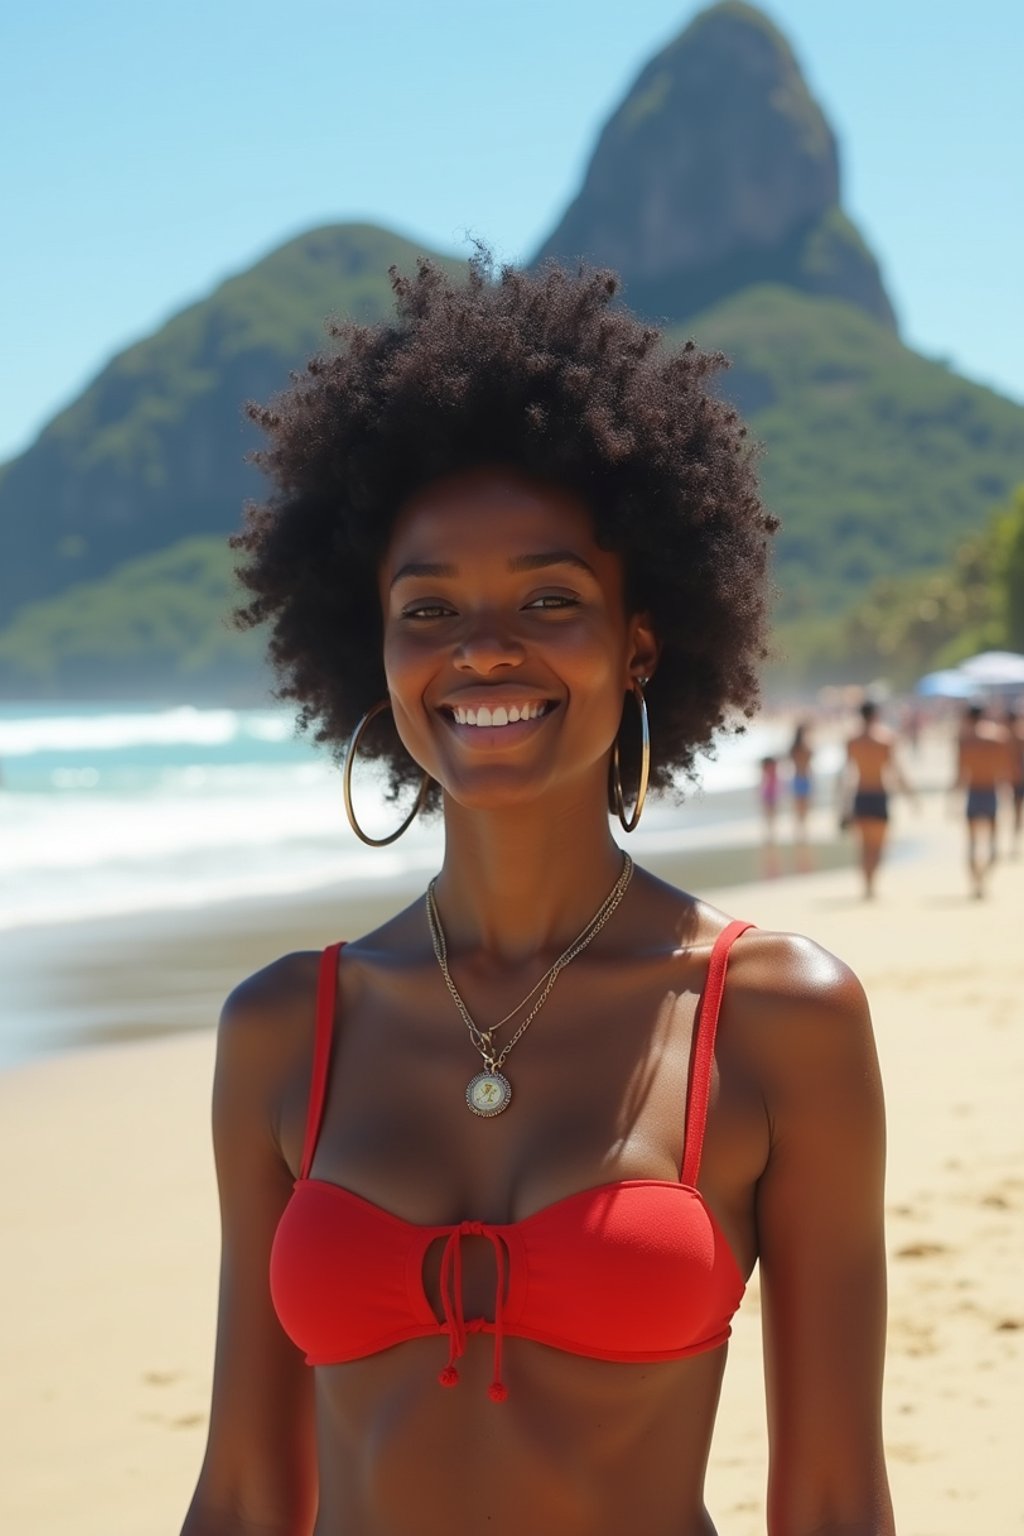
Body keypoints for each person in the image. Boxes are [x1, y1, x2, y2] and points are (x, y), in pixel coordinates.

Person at [180, 258, 894, 1536]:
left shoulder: (779, 1019)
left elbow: (835, 1501)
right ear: (375, 651)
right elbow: (240, 1494)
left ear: (639, 644)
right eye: (428, 608)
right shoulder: (285, 1029)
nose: (481, 649)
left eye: (548, 598)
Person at [843, 699, 913, 899]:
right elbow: (896, 770)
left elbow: (847, 774)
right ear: (876, 715)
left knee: (863, 846)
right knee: (879, 845)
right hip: (879, 794)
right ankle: (871, 885)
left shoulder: (852, 740)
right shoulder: (886, 739)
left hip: (860, 794)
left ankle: (867, 886)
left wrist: (844, 803)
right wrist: (910, 796)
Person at [956, 703, 1012, 897]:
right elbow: (1005, 768)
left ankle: (976, 883)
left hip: (973, 791)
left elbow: (960, 773)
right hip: (991, 791)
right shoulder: (998, 737)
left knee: (972, 843)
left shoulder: (965, 740)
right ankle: (984, 880)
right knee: (993, 843)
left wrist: (952, 799)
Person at [787, 720, 814, 869]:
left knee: (799, 807)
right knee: (805, 808)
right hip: (805, 778)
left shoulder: (794, 748)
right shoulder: (805, 747)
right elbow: (810, 759)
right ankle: (803, 832)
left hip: (797, 778)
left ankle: (799, 832)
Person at [1005, 705, 1024, 857]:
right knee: (1016, 814)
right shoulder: (1008, 739)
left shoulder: (1014, 738)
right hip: (1016, 782)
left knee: (1016, 814)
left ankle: (1015, 844)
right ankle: (1015, 844)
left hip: (1017, 781)